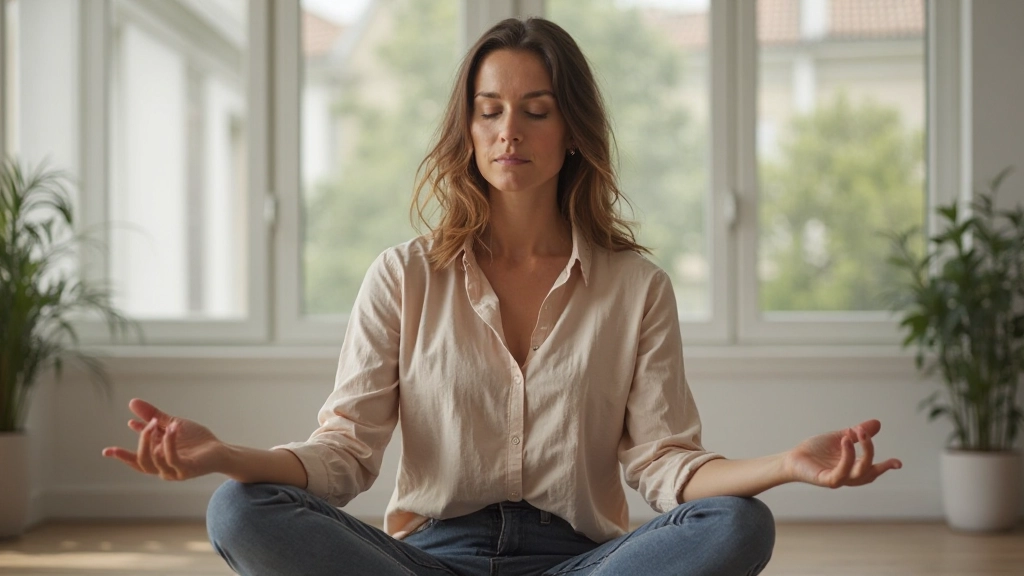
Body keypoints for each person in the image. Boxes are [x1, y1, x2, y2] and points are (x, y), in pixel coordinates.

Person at [103, 17, 902, 576]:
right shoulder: (403, 276)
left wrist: (787, 466)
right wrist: (221, 456)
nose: (508, 131)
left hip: (583, 560)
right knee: (238, 511)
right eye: (489, 111)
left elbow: (665, 467)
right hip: (426, 558)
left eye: (534, 110)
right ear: (470, 129)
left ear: (573, 131)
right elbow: (343, 455)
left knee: (741, 522)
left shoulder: (637, 288)